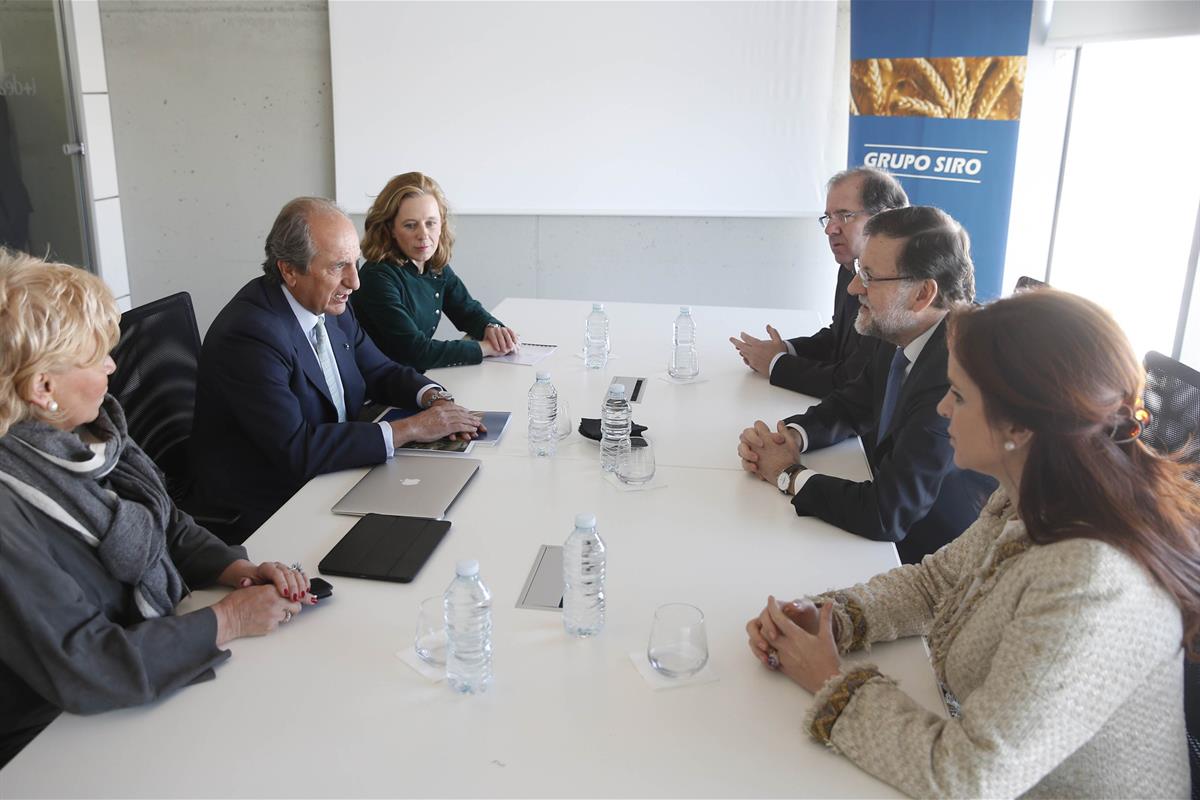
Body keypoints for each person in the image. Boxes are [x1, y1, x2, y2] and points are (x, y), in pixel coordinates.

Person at [745, 289, 1198, 798]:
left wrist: (831, 684)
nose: (941, 407)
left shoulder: (1090, 581)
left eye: (958, 395)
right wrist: (830, 616)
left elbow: (972, 777)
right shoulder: (1035, 493)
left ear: (1020, 426)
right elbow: (936, 582)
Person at [0, 250, 314, 768]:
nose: (112, 366)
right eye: (96, 356)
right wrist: (228, 621)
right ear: (42, 388)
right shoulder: (11, 509)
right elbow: (84, 662)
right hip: (52, 739)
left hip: (143, 669)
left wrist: (236, 570)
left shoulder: (94, 433)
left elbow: (167, 521)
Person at [192, 197, 484, 538]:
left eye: (354, 264)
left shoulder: (328, 304)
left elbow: (379, 370)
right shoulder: (250, 335)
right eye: (337, 267)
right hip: (270, 505)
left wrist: (435, 399)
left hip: (331, 473)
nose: (355, 282)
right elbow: (298, 449)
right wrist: (412, 429)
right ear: (289, 269)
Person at [738, 206, 995, 563]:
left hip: (929, 558)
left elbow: (887, 513)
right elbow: (854, 403)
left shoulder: (955, 374)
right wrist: (791, 436)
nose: (855, 286)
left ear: (922, 294)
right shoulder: (904, 327)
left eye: (871, 276)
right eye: (860, 270)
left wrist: (788, 474)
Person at [730, 167, 908, 397]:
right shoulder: (850, 267)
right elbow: (839, 339)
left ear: (884, 219)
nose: (830, 229)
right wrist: (786, 349)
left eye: (844, 216)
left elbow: (853, 381)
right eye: (828, 217)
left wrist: (777, 364)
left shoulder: (895, 287)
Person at [352, 172, 519, 370]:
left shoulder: (434, 266)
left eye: (431, 223)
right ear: (391, 230)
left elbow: (468, 311)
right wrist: (485, 348)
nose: (423, 235)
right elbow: (417, 352)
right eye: (410, 225)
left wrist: (493, 328)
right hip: (381, 393)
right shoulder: (377, 277)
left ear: (441, 224)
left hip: (416, 381)